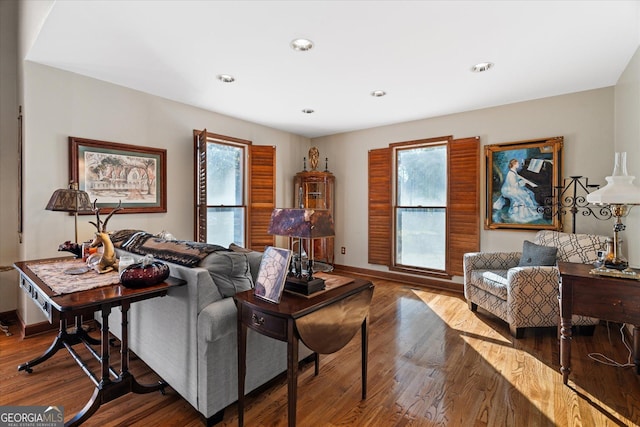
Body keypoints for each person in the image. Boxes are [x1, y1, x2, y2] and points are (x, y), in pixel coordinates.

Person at [497, 159, 543, 223]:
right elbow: (514, 185)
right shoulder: (511, 174)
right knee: (526, 195)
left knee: (530, 192)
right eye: (517, 163)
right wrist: (522, 183)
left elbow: (518, 177)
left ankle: (537, 207)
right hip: (511, 190)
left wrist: (526, 181)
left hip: (514, 188)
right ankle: (524, 213)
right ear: (514, 164)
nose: (519, 165)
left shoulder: (513, 171)